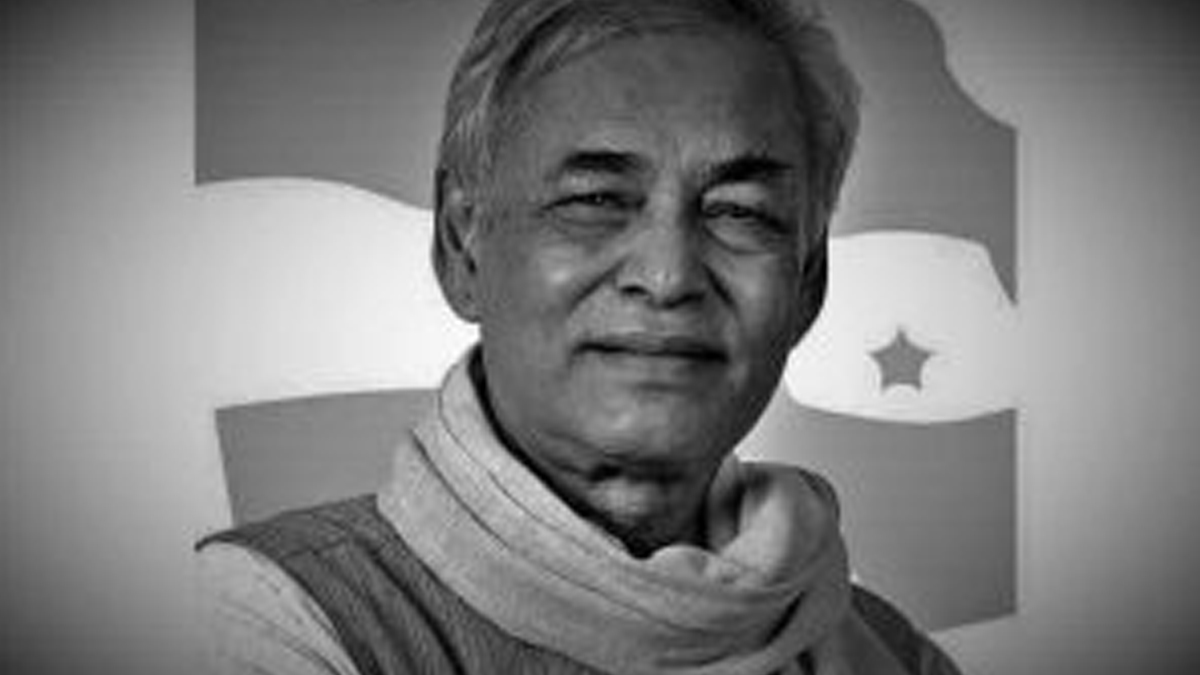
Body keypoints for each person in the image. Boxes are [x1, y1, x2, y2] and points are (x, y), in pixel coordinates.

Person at [197, 0, 962, 673]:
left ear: (808, 284)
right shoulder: (266, 619)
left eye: (739, 211)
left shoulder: (894, 655)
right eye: (595, 198)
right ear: (463, 246)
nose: (667, 275)